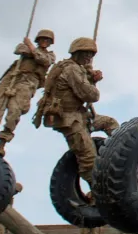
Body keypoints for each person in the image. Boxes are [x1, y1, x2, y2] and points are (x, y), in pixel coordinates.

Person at [32, 37, 119, 194]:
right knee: (88, 157)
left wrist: (90, 77)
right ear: (77, 53)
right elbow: (90, 95)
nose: (89, 58)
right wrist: (93, 81)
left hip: (81, 115)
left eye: (91, 55)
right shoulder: (71, 69)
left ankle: (123, 151)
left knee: (109, 122)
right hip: (69, 119)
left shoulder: (76, 68)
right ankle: (98, 193)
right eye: (86, 54)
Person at [0, 29, 56, 156]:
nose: (44, 41)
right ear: (38, 40)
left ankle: (2, 142)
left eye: (47, 40)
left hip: (28, 81)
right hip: (12, 77)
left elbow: (44, 60)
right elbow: (19, 50)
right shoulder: (25, 46)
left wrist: (31, 49)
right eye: (42, 39)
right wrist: (31, 50)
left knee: (15, 111)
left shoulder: (50, 55)